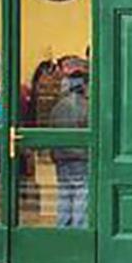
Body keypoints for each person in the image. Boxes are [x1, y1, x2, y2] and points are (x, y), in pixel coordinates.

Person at [48, 71, 89, 227]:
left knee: (64, 196)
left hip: (62, 159)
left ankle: (62, 230)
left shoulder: (58, 106)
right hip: (82, 159)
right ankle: (78, 233)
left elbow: (51, 130)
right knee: (80, 199)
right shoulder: (87, 106)